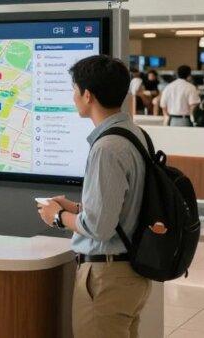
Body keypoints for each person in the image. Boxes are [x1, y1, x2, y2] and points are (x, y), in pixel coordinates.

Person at [36, 55, 150, 338]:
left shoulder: (107, 148)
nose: (73, 96)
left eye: (74, 89)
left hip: (107, 278)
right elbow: (124, 207)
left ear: (88, 95)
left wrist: (59, 217)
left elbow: (100, 227)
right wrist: (76, 207)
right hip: (131, 275)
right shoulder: (135, 134)